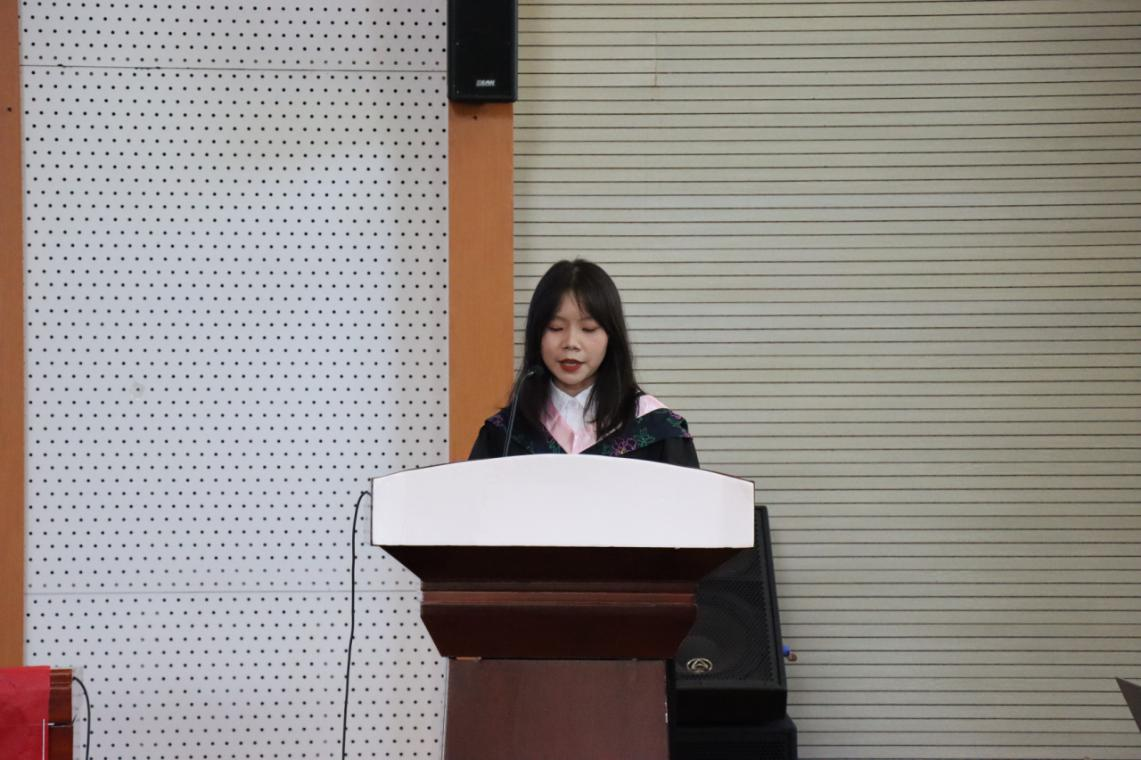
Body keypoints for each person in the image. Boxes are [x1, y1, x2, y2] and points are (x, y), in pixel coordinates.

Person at [468, 258, 699, 467]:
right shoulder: (505, 433)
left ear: (611, 337)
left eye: (588, 329)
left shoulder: (657, 429)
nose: (571, 343)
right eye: (556, 328)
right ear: (536, 335)